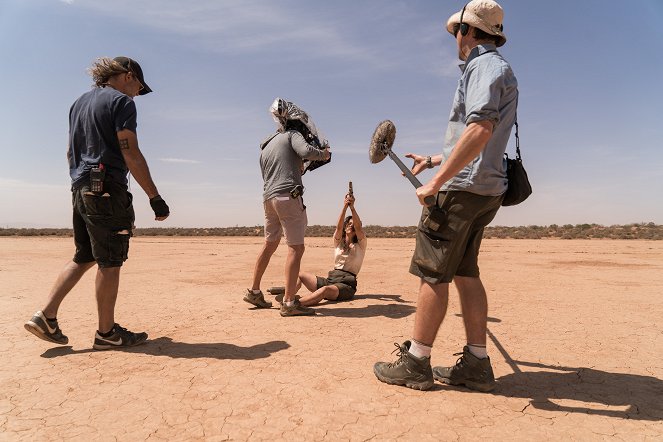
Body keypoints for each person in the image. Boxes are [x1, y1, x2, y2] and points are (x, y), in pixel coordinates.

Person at [373, 0, 518, 391]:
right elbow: (480, 140)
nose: (455, 38)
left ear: (468, 32)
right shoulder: (496, 68)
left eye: (458, 31)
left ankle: (417, 362)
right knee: (466, 274)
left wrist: (437, 183)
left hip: (461, 191)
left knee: (432, 274)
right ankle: (476, 363)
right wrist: (435, 159)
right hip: (485, 190)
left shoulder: (484, 66)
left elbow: (481, 130)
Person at [24, 56, 170, 350]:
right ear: (129, 76)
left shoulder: (78, 103)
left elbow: (69, 152)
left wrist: (82, 182)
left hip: (80, 185)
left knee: (85, 255)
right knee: (110, 260)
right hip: (106, 187)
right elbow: (130, 151)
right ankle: (107, 334)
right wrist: (154, 196)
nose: (137, 94)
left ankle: (46, 317)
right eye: (139, 88)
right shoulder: (121, 102)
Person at [245, 98, 330, 317]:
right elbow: (306, 151)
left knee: (269, 245)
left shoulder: (267, 144)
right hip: (288, 197)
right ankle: (290, 302)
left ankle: (254, 291)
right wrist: (324, 154)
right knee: (296, 248)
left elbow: (273, 171)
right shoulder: (293, 136)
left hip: (268, 198)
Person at [273, 192, 367, 307]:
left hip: (346, 284)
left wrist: (352, 207)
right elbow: (338, 227)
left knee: (324, 290)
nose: (351, 226)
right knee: (300, 275)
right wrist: (344, 206)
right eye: (349, 223)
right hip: (331, 279)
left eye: (354, 224)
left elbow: (358, 227)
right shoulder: (338, 242)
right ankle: (289, 295)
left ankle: (292, 305)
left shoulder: (361, 245)